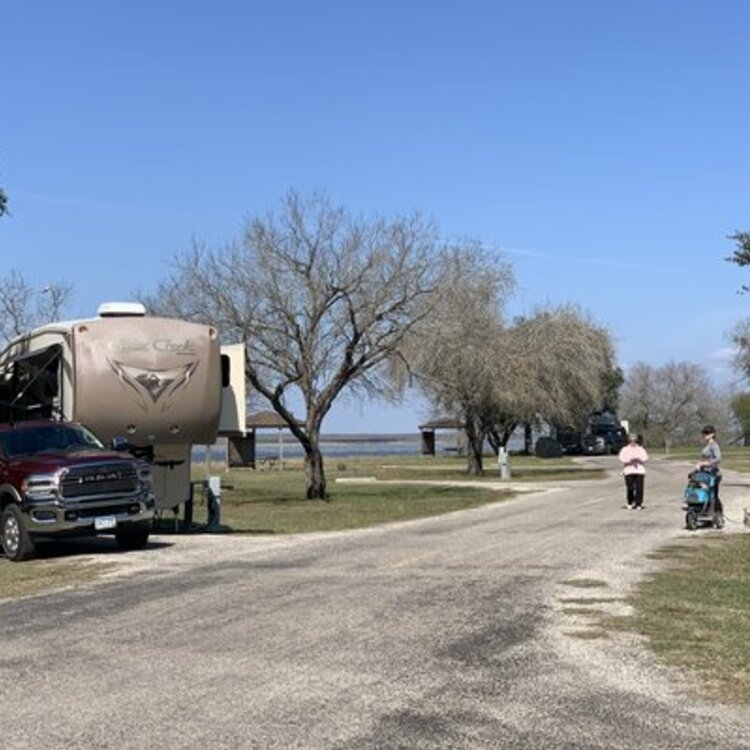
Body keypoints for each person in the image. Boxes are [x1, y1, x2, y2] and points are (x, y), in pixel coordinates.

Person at [618, 432, 649, 509]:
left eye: (634, 440)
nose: (633, 442)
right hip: (629, 470)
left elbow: (645, 458)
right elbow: (621, 458)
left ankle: (639, 503)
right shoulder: (625, 449)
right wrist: (629, 461)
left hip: (639, 470)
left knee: (639, 488)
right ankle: (630, 502)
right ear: (629, 440)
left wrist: (639, 459)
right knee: (630, 488)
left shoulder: (640, 449)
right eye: (631, 440)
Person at [697, 424, 722, 515]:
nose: (705, 435)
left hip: (713, 473)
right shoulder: (707, 446)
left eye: (707, 433)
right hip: (705, 473)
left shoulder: (714, 446)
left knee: (713, 495)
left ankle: (716, 513)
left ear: (712, 434)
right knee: (704, 492)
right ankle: (703, 510)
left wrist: (706, 463)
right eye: (704, 433)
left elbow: (718, 458)